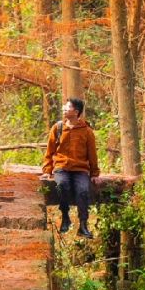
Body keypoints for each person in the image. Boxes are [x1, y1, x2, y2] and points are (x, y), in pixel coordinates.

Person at [42, 97, 100, 238]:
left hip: (80, 169)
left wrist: (94, 173)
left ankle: (83, 225)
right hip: (62, 167)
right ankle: (65, 217)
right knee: (62, 184)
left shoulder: (87, 131)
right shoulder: (58, 127)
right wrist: (48, 170)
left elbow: (92, 153)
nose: (64, 109)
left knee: (83, 190)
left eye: (67, 108)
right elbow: (50, 151)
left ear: (76, 112)